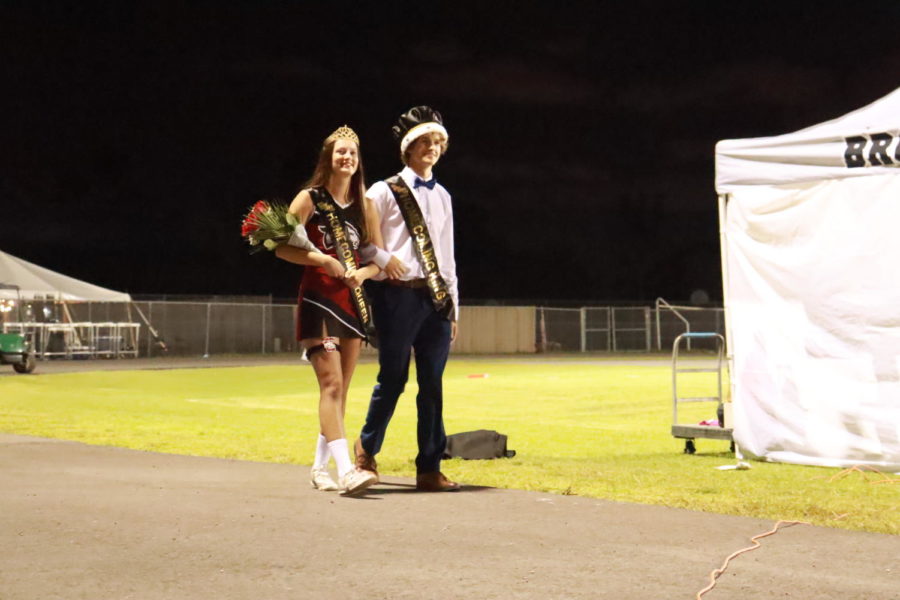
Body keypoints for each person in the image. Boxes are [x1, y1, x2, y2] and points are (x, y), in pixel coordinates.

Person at [355, 106, 461, 492]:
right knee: (393, 379)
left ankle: (429, 468)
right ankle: (366, 453)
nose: (432, 148)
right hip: (396, 297)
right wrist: (385, 259)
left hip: (435, 301)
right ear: (410, 147)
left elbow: (447, 257)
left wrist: (454, 308)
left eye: (438, 142)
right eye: (426, 141)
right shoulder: (383, 190)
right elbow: (362, 241)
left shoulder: (444, 196)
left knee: (432, 384)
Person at [275, 125, 383, 496]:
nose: (347, 158)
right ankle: (346, 471)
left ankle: (319, 467)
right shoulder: (309, 199)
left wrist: (362, 273)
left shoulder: (365, 206)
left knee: (343, 391)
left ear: (358, 161)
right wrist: (320, 257)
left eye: (352, 152)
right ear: (329, 158)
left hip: (350, 302)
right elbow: (279, 246)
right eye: (340, 152)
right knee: (331, 385)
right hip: (317, 300)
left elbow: (377, 261)